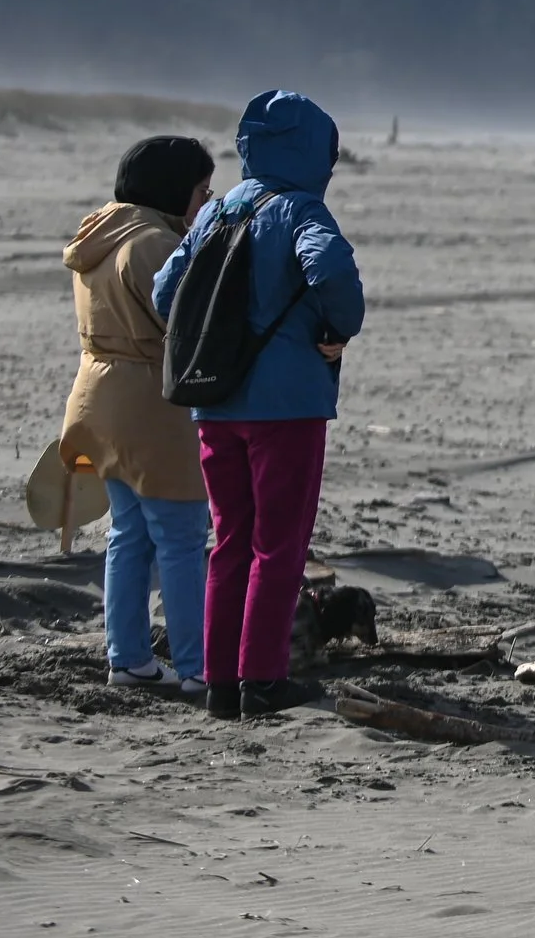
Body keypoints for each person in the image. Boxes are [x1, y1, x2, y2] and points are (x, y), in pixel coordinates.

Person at [152, 91, 364, 721]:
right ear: (315, 150)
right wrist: (337, 328)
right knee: (279, 545)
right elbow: (331, 272)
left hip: (216, 402)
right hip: (288, 405)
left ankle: (220, 682)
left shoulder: (219, 209)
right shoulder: (303, 211)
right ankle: (263, 679)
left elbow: (167, 293)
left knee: (231, 542)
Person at [61, 135, 217, 701]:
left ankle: (127, 658)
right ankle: (198, 666)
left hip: (96, 397)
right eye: (203, 189)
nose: (208, 199)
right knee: (179, 537)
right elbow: (185, 323)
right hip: (151, 403)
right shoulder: (152, 242)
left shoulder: (100, 232)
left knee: (129, 535)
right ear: (176, 190)